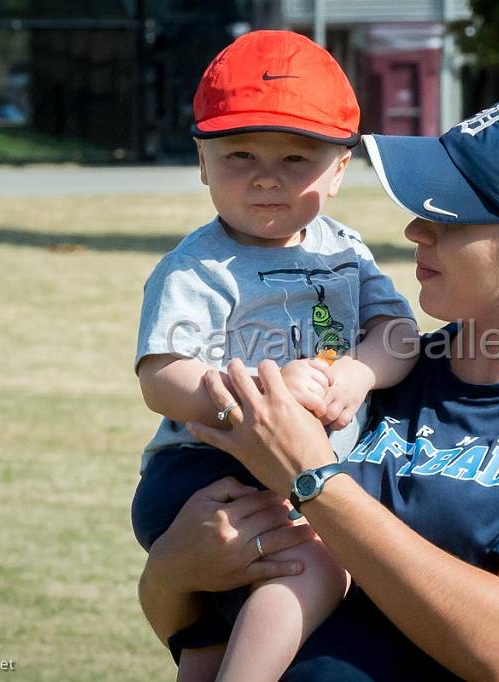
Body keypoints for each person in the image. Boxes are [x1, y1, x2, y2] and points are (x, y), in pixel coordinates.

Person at [141, 92, 499, 681]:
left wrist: (314, 478)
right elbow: (193, 617)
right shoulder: (369, 370)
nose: (415, 229)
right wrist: (174, 572)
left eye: (450, 216)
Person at [131, 30, 418, 682]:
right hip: (207, 467)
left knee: (206, 641)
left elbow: (398, 331)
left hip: (297, 467)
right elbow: (162, 377)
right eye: (239, 154)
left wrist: (359, 369)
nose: (266, 175)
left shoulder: (342, 249)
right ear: (201, 161)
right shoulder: (199, 267)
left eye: (296, 158)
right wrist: (260, 394)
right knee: (320, 565)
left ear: (340, 169)